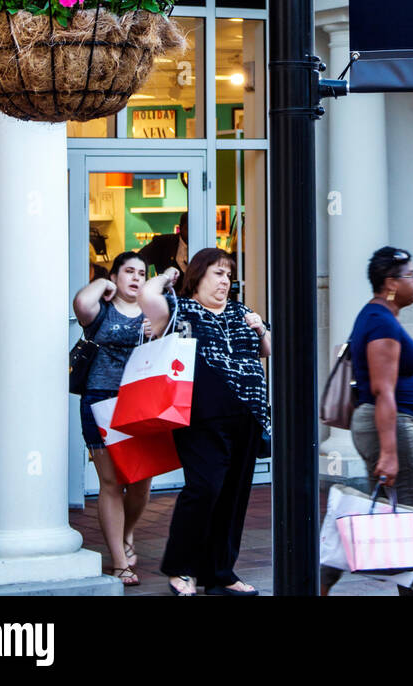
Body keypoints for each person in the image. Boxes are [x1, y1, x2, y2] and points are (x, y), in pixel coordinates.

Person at [140, 248, 270, 597]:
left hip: (248, 415)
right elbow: (147, 295)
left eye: (229, 275)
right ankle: (181, 567)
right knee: (205, 489)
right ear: (197, 277)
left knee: (234, 495)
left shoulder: (243, 312)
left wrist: (260, 328)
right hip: (201, 418)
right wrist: (169, 276)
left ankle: (221, 573)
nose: (225, 281)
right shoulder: (182, 310)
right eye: (217, 273)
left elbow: (268, 350)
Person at [321, 245, 413, 598]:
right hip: (389, 424)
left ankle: (325, 573)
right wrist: (391, 452)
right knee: (409, 514)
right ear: (391, 283)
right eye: (411, 275)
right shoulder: (380, 321)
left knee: (381, 507)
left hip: (385, 424)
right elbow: (383, 391)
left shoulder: (381, 316)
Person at [72, 251, 153, 586]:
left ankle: (127, 531)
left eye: (141, 273)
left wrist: (155, 329)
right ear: (117, 277)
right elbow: (80, 303)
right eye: (128, 272)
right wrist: (103, 281)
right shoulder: (101, 310)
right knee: (110, 483)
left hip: (142, 403)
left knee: (140, 482)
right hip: (100, 400)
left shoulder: (154, 311)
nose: (135, 278)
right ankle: (119, 562)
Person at [137, 211, 189, 277]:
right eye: (187, 228)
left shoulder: (203, 244)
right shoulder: (162, 243)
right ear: (180, 228)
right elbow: (138, 259)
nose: (191, 233)